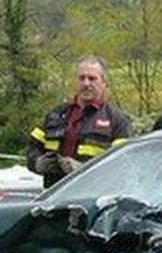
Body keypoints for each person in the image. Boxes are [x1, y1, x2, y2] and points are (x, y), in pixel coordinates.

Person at [26, 55, 131, 188]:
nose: (86, 83)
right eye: (82, 78)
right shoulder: (55, 115)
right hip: (53, 197)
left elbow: (121, 165)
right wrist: (38, 163)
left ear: (104, 83)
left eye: (92, 78)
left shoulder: (117, 120)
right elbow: (32, 148)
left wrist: (83, 170)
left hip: (90, 200)